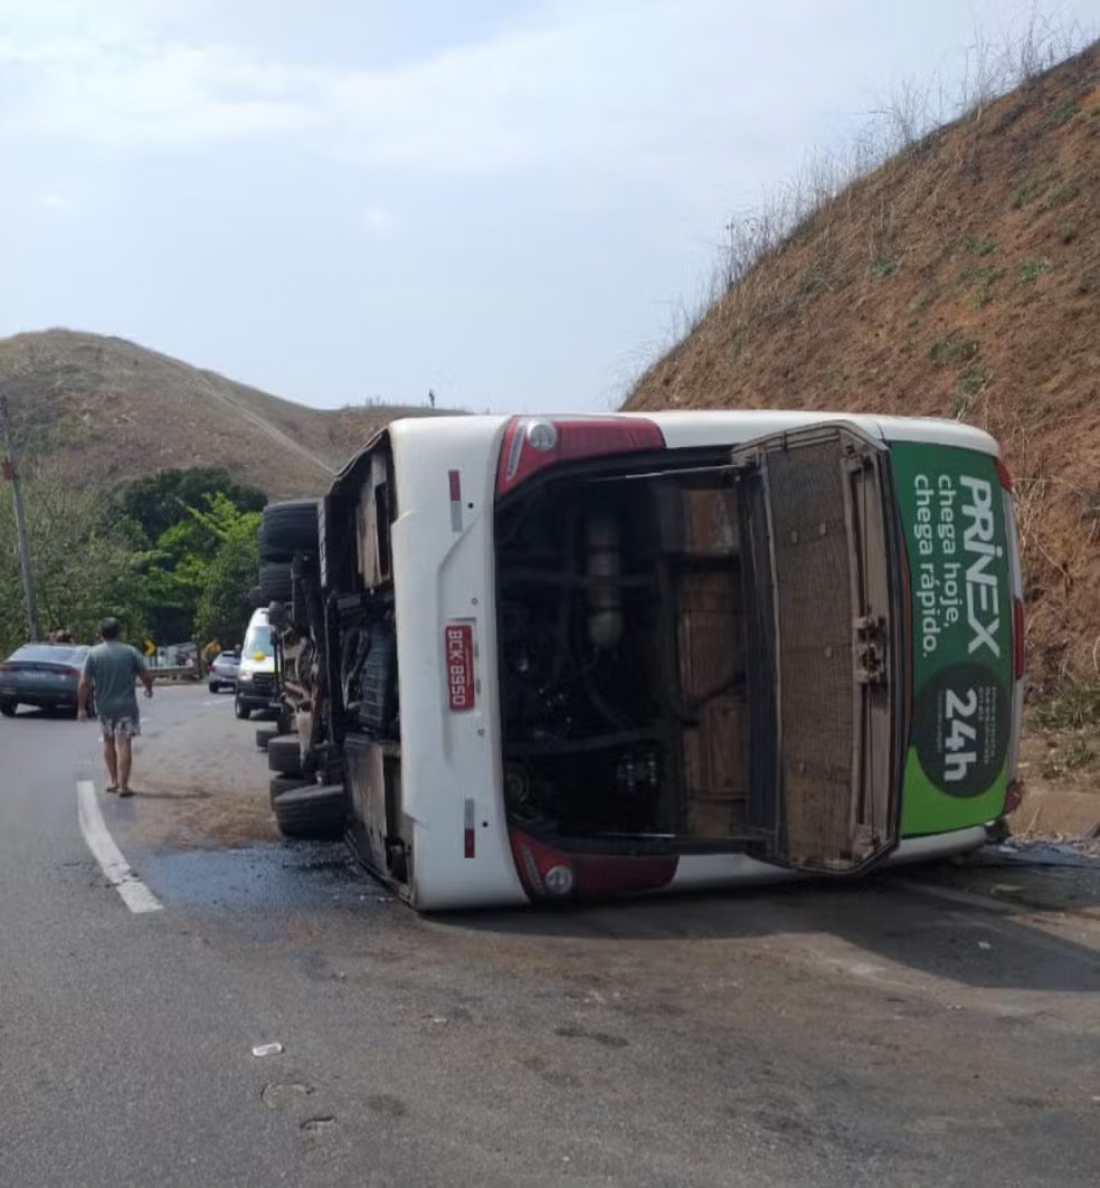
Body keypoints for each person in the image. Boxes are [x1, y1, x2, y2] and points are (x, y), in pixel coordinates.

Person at [78, 618, 154, 797]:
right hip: (126, 706)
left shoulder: (93, 654)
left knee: (108, 740)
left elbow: (84, 683)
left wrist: (81, 707)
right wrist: (149, 689)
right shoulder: (130, 652)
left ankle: (113, 781)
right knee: (124, 742)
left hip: (104, 706)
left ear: (101, 633)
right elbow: (146, 675)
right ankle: (124, 786)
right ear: (119, 633)